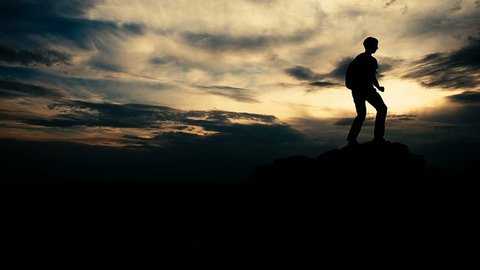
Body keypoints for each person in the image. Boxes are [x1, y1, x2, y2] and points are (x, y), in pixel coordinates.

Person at [346, 36, 387, 146]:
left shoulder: (371, 60)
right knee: (368, 112)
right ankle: (375, 138)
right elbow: (369, 76)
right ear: (370, 46)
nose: (377, 48)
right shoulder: (361, 59)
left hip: (365, 90)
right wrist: (376, 87)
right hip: (362, 90)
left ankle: (354, 140)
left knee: (367, 113)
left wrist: (378, 87)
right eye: (375, 45)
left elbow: (372, 76)